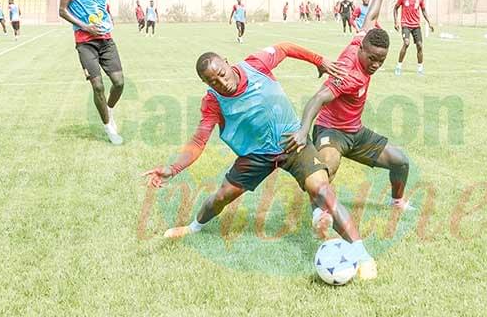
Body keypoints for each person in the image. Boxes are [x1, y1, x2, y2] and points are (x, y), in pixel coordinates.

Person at [141, 43, 379, 280]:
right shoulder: (212, 102)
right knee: (221, 197)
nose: (222, 82)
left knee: (322, 189)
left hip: (292, 141)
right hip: (255, 155)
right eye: (213, 81)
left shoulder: (256, 64)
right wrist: (173, 168)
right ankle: (193, 227)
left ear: (226, 61)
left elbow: (285, 48)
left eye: (222, 74)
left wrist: (319, 60)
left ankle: (363, 255)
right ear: (206, 83)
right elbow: (198, 141)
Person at [287, 0, 414, 224]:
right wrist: (302, 131)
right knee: (326, 168)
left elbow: (371, 15)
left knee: (400, 161)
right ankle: (318, 215)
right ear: (362, 51)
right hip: (330, 132)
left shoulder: (363, 38)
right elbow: (318, 98)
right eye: (372, 59)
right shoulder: (348, 72)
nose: (376, 65)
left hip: (355, 131)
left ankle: (397, 202)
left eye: (381, 60)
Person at [59, 0, 125, 145]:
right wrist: (85, 27)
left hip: (106, 39)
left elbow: (102, 5)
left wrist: (108, 20)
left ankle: (108, 110)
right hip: (85, 41)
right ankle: (108, 127)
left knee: (119, 83)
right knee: (98, 86)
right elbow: (62, 10)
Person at [393, 0, 434, 76]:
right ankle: (398, 67)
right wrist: (396, 22)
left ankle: (420, 69)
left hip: (416, 25)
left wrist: (429, 23)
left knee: (419, 45)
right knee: (406, 43)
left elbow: (423, 10)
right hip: (405, 24)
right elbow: (395, 8)